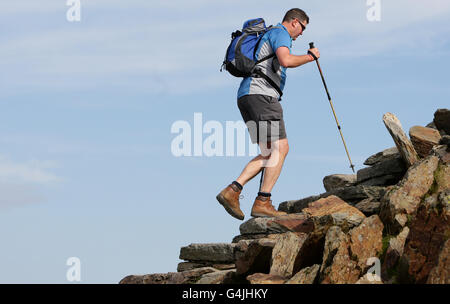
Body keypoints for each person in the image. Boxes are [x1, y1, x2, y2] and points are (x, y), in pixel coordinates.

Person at [216, 8, 320, 220]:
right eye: (302, 27)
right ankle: (263, 202)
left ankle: (232, 191)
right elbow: (285, 60)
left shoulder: (270, 34)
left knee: (269, 151)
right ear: (294, 22)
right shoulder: (280, 33)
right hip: (262, 95)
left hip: (248, 95)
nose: (301, 33)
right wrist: (310, 57)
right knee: (281, 148)